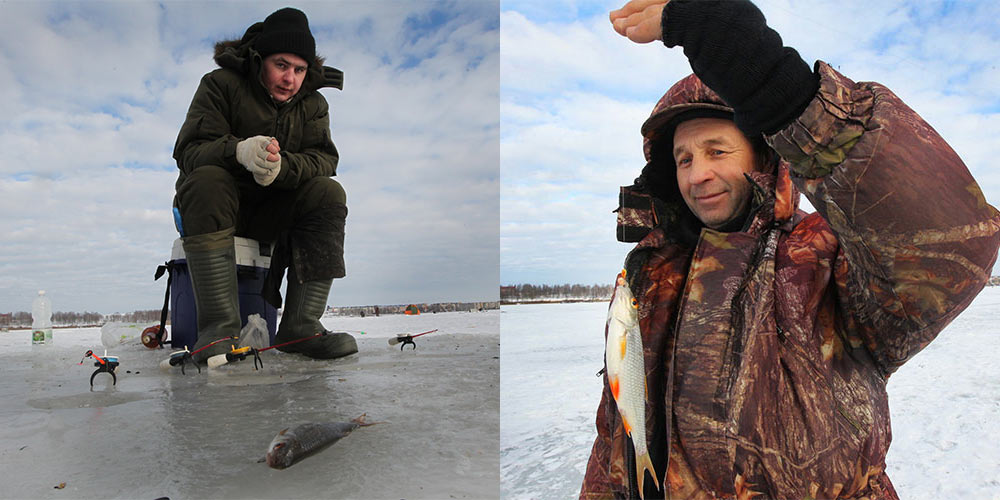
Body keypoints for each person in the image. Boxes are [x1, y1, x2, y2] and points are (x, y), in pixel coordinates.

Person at [581, 1, 1000, 498]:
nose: (698, 174)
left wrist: (774, 84)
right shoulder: (652, 276)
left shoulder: (826, 253)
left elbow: (947, 237)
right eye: (683, 158)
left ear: (762, 155)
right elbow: (617, 431)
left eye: (717, 150)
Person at [173, 7, 356, 363]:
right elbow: (189, 151)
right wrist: (238, 151)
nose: (290, 79)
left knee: (328, 192)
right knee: (208, 178)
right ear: (260, 59)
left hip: (272, 214)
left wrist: (283, 167)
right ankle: (218, 331)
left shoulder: (314, 104)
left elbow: (324, 160)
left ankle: (300, 327)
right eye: (281, 65)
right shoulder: (219, 84)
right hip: (214, 209)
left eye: (300, 69)